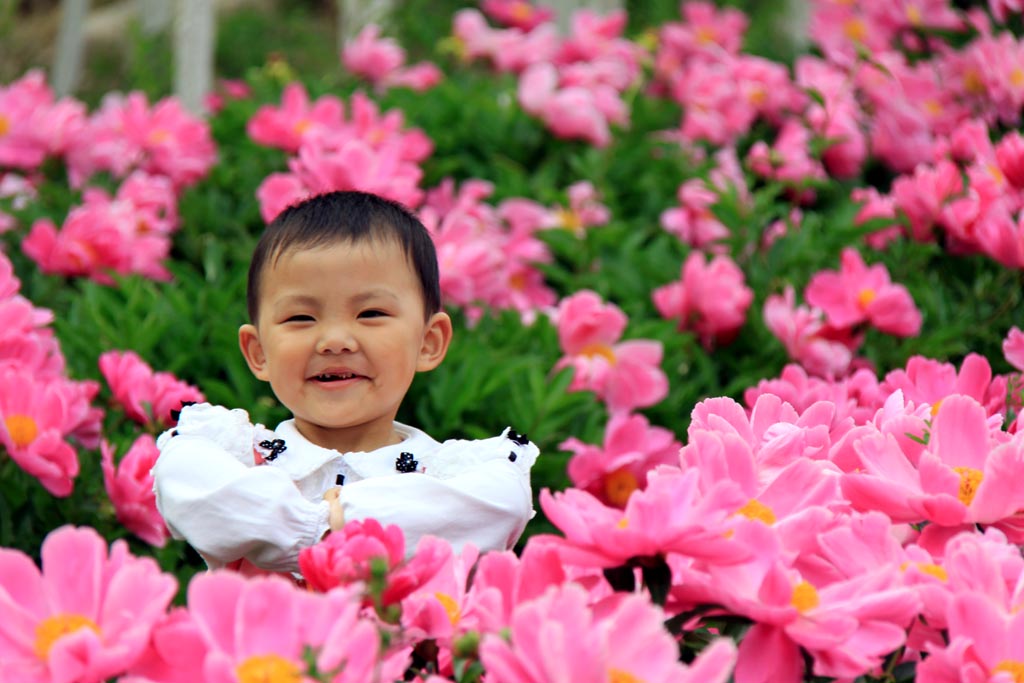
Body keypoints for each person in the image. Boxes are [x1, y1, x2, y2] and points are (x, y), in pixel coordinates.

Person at [152, 190, 538, 574]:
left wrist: (321, 530)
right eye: (300, 318)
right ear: (258, 352)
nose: (335, 340)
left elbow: (500, 506)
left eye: (370, 313)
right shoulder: (227, 458)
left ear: (428, 342)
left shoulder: (460, 479)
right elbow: (185, 485)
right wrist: (318, 531)